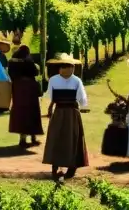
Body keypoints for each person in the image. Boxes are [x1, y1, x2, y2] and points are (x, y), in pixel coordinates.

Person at [43, 53, 89, 183]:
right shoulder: (76, 81)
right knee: (72, 138)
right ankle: (71, 166)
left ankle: (55, 165)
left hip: (59, 112)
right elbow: (83, 100)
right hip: (72, 113)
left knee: (56, 137)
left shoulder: (53, 80)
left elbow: (50, 97)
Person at [8, 45, 44, 148]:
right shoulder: (28, 61)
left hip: (17, 89)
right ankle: (33, 138)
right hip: (29, 89)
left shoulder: (12, 61)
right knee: (32, 112)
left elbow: (10, 74)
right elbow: (35, 72)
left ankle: (22, 139)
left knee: (20, 113)